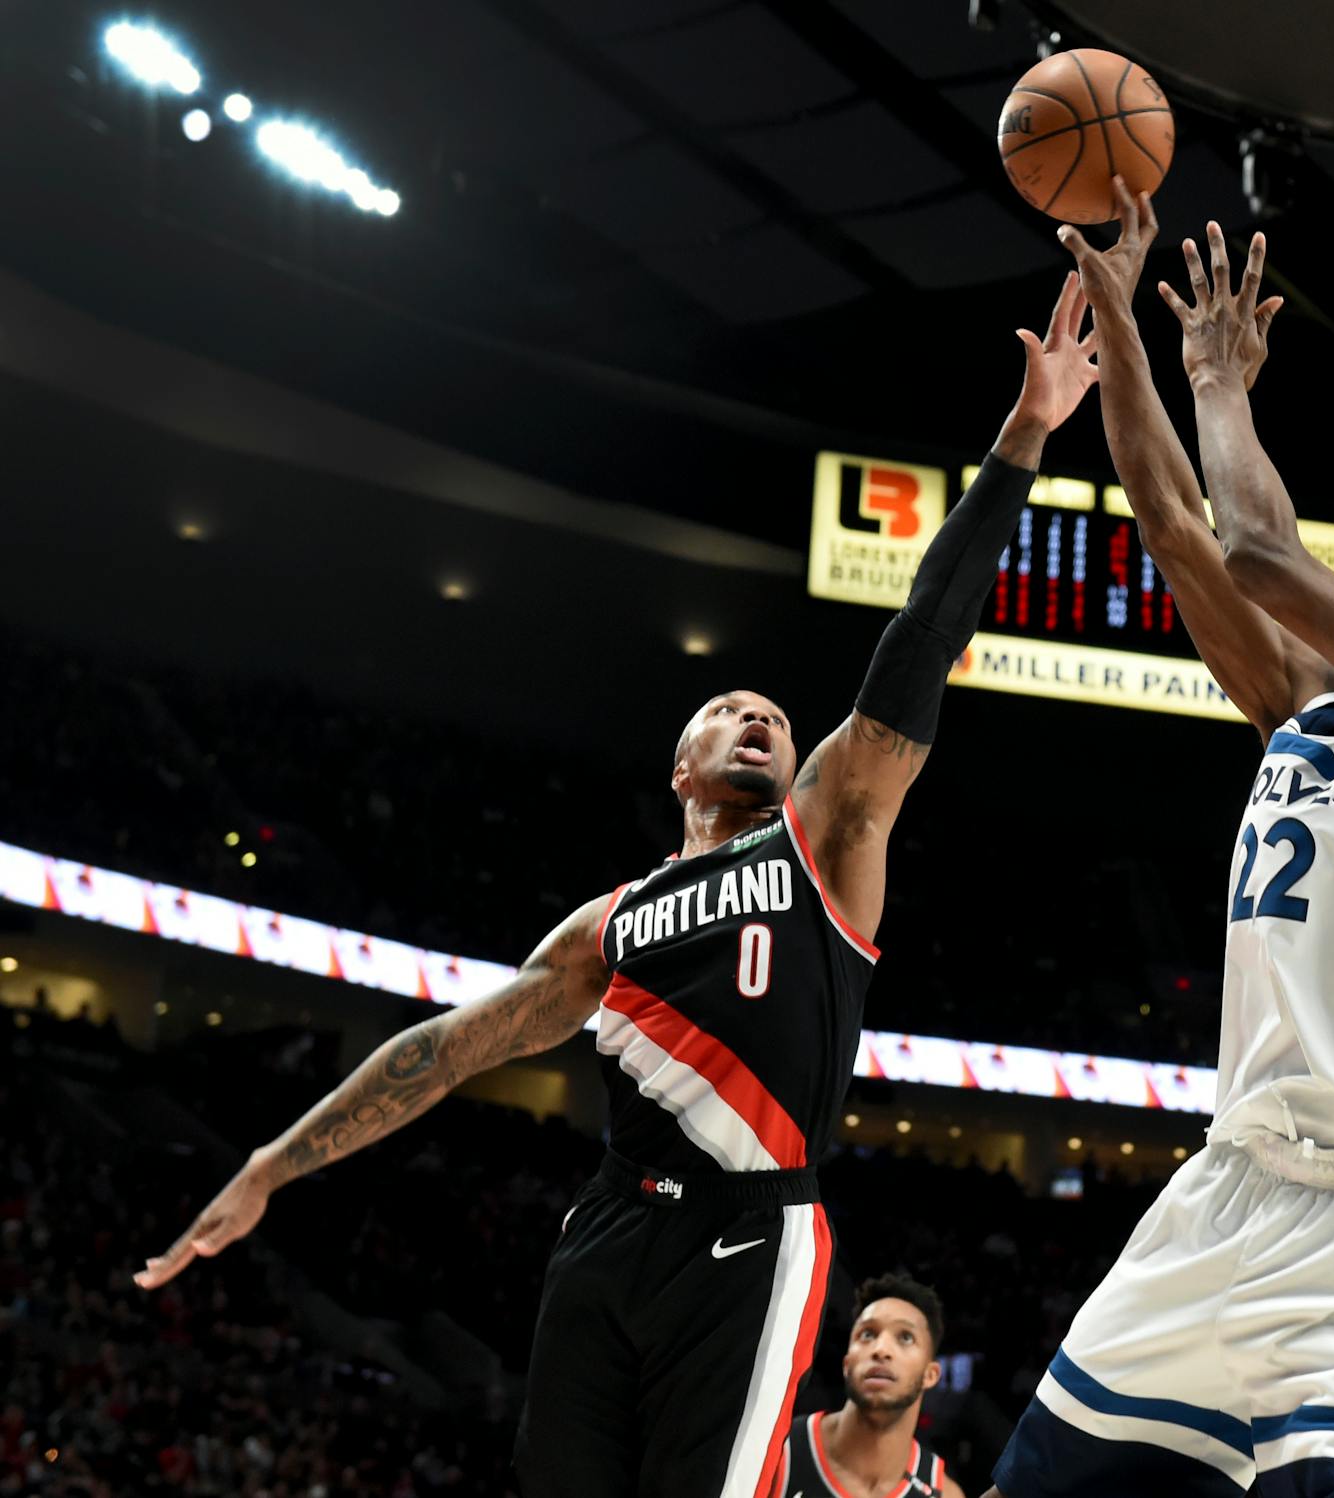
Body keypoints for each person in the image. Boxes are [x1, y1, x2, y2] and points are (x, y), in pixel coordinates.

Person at [131, 274, 1104, 1498]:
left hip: (753, 1234)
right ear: (682, 763)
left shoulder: (829, 837)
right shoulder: (612, 922)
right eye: (728, 709)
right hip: (607, 1229)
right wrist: (275, 1158)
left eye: (776, 715)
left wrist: (1023, 436)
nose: (757, 715)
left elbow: (920, 628)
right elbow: (448, 1048)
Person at [984, 183, 1334, 1498]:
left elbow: (1257, 548)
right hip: (1225, 1191)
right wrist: (1125, 327)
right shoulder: (1302, 714)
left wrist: (1217, 378)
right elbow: (1180, 526)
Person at [776, 1272, 964, 1498]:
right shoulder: (778, 1449)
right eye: (867, 1334)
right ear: (847, 1364)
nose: (881, 1349)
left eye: (905, 1337)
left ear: (930, 1374)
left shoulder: (944, 1494)